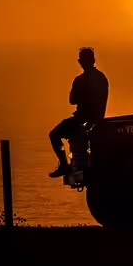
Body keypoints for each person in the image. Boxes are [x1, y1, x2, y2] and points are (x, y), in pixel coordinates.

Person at [48, 47, 109, 178]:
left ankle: (64, 164)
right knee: (58, 134)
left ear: (80, 61)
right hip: (94, 119)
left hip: (84, 119)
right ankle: (66, 164)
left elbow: (73, 100)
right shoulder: (100, 78)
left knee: (54, 135)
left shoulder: (82, 80)